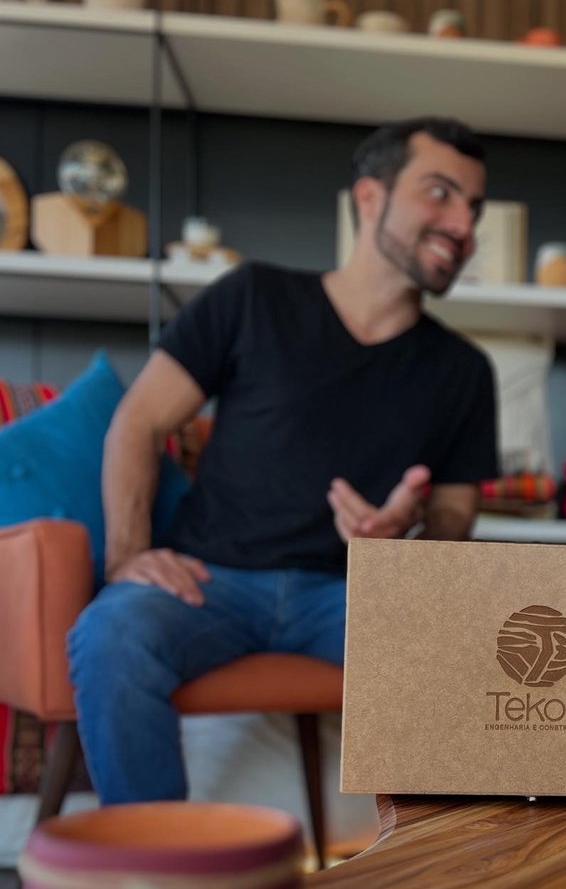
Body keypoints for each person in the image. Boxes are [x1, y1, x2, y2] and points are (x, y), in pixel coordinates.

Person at [68, 116, 498, 803]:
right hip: (211, 579)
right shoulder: (253, 297)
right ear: (369, 197)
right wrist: (127, 557)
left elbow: (455, 511)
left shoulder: (464, 370)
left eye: (474, 208)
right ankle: (155, 858)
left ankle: (432, 865)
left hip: (355, 598)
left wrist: (405, 541)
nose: (463, 225)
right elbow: (139, 422)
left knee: (473, 657)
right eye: (440, 193)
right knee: (113, 631)